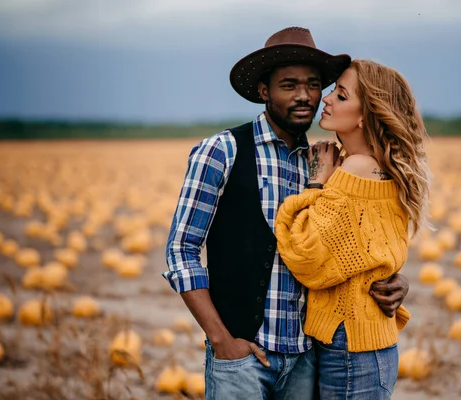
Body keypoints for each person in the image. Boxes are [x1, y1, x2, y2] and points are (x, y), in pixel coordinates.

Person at [163, 27, 410, 400]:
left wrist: (395, 279)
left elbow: (352, 245)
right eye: (288, 85)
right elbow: (181, 251)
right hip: (242, 359)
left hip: (308, 357)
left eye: (313, 84)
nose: (304, 96)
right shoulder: (222, 151)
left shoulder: (327, 163)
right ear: (264, 91)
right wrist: (222, 341)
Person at [275, 59, 431, 399]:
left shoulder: (358, 168)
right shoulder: (377, 166)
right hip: (366, 343)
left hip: (350, 348)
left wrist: (315, 182)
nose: (327, 99)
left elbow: (306, 256)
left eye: (341, 95)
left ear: (366, 115)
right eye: (333, 90)